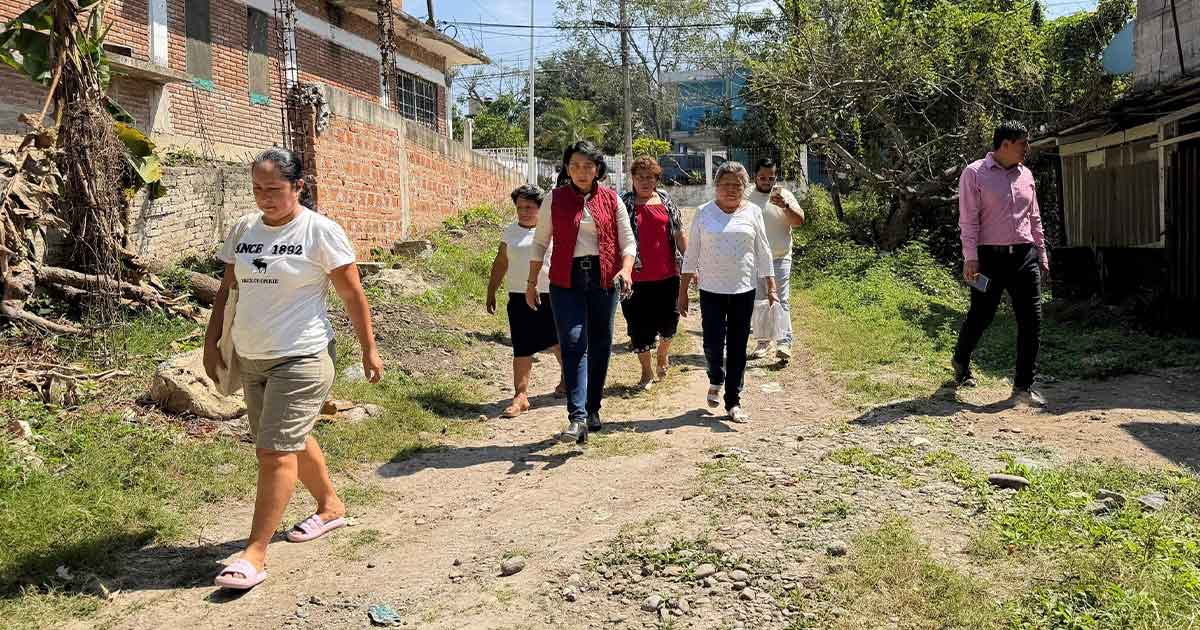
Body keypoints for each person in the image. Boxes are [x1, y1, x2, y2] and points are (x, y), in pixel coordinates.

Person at [203, 147, 383, 590]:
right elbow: (228, 291)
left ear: (298, 186)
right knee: (291, 439)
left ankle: (254, 554)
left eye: (275, 190)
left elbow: (352, 295)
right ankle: (330, 507)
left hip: (302, 356)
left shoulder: (319, 232)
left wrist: (368, 349)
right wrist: (211, 344)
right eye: (258, 189)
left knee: (274, 451)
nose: (265, 198)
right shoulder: (244, 229)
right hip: (251, 356)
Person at [528, 141, 636, 444]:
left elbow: (628, 242)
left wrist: (626, 269)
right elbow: (540, 242)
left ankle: (592, 409)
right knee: (574, 342)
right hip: (566, 279)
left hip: (603, 278)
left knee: (601, 344)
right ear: (566, 168)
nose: (581, 171)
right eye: (574, 165)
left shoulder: (612, 200)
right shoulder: (554, 199)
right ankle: (576, 418)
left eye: (588, 166)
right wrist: (531, 282)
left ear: (598, 169)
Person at [952, 120, 1050, 407]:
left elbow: (1034, 219)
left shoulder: (1026, 175)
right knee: (981, 315)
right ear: (1005, 144)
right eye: (1023, 143)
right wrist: (970, 257)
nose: (1027, 149)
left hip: (1024, 257)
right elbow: (968, 220)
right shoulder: (974, 174)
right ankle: (961, 359)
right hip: (988, 260)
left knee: (1032, 320)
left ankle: (1023, 387)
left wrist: (1041, 253)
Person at [678, 161, 777, 423]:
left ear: (745, 187)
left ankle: (733, 400)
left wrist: (771, 286)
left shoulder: (753, 212)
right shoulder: (703, 212)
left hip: (743, 288)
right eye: (726, 185)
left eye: (737, 185)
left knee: (737, 346)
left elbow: (763, 250)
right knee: (711, 342)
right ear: (716, 187)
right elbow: (692, 253)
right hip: (711, 290)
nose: (731, 190)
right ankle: (715, 377)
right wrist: (683, 291)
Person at [486, 184, 565, 418]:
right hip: (519, 297)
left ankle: (568, 379)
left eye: (529, 207)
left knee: (558, 342)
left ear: (541, 208)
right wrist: (491, 291)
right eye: (520, 207)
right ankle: (520, 396)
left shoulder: (552, 231)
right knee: (521, 346)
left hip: (551, 295)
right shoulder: (510, 232)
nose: (524, 211)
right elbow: (500, 263)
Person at [620, 155, 687, 390]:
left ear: (657, 179)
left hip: (668, 276)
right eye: (640, 177)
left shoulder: (667, 201)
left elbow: (679, 235)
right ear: (633, 179)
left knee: (669, 323)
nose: (645, 182)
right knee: (639, 327)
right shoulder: (624, 203)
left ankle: (663, 354)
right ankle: (646, 372)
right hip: (634, 279)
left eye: (650, 177)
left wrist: (689, 264)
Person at [747, 158, 805, 362]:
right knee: (760, 302)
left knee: (781, 299)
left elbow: (799, 222)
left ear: (775, 176)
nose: (766, 181)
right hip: (754, 260)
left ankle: (784, 342)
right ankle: (763, 342)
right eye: (762, 177)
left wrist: (785, 206)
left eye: (771, 177)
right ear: (755, 176)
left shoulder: (784, 195)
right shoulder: (746, 197)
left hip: (780, 257)